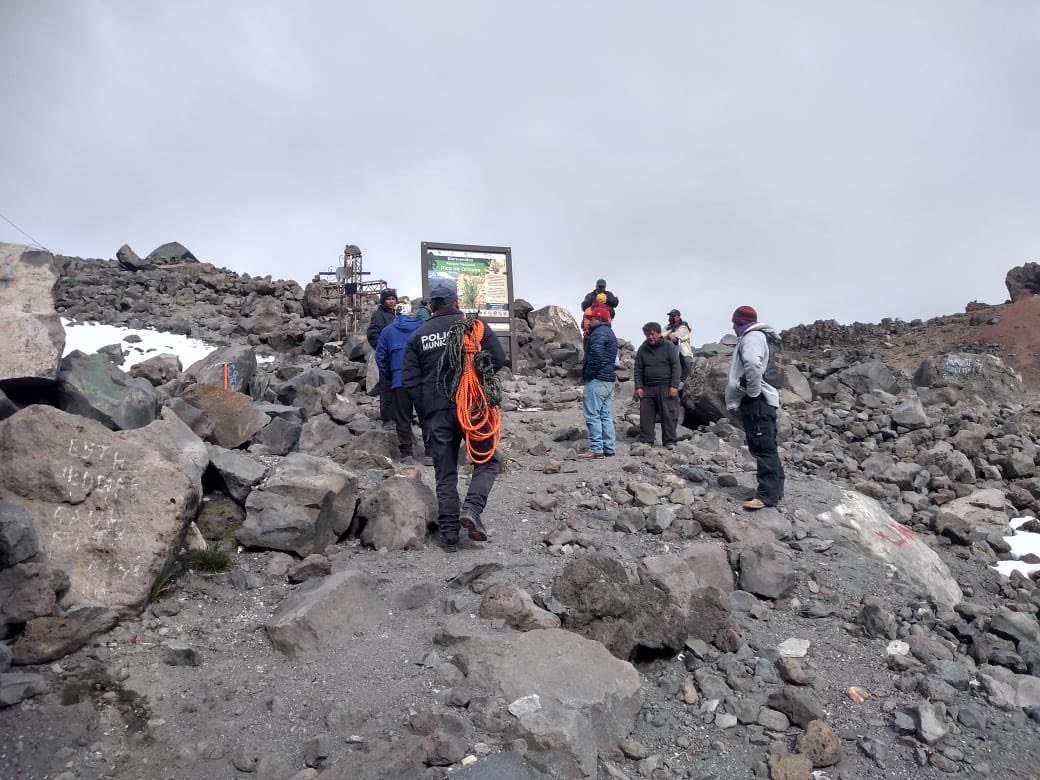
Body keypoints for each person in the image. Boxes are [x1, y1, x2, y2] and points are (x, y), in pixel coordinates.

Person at [402, 285, 507, 552]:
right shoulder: (474, 326)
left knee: (444, 471)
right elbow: (498, 358)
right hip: (472, 405)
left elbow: (410, 382)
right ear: (456, 302)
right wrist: (477, 378)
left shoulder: (418, 336)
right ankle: (471, 509)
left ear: (432, 306)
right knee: (487, 460)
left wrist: (427, 410)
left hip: (437, 412)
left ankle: (449, 535)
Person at [724, 305, 785, 511]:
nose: (732, 327)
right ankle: (776, 490)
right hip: (766, 400)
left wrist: (752, 391)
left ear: (739, 322)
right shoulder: (765, 337)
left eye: (734, 322)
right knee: (767, 445)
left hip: (757, 401)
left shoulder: (752, 337)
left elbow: (752, 363)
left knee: (762, 446)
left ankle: (766, 496)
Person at [375, 308, 429, 463]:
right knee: (426, 416)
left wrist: (390, 375)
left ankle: (407, 454)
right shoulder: (425, 328)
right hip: (421, 380)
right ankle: (430, 453)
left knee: (402, 417)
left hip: (399, 381)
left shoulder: (388, 331)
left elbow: (380, 356)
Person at [579, 305, 618, 459]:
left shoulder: (598, 334)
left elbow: (596, 355)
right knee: (605, 414)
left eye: (591, 318)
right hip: (609, 379)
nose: (589, 321)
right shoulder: (610, 333)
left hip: (597, 379)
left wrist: (589, 373)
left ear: (598, 319)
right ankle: (609, 447)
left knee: (592, 414)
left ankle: (596, 448)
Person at [634, 321, 680, 448]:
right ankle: (647, 440)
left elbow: (676, 366)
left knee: (668, 414)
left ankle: (670, 441)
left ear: (659, 333)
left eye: (652, 334)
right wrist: (638, 387)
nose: (650, 337)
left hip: (666, 386)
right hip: (647, 387)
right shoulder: (642, 349)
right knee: (646, 416)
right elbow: (638, 369)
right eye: (647, 334)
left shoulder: (669, 346)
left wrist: (674, 386)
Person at [366, 288, 399, 425]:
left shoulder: (396, 314)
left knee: (397, 385)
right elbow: (373, 334)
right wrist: (383, 350)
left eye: (393, 299)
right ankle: (387, 417)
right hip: (387, 356)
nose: (391, 302)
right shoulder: (379, 315)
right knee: (386, 386)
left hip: (397, 356)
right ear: (383, 301)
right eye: (388, 299)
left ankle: (397, 414)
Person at [665, 309, 694, 381]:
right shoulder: (667, 327)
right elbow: (661, 336)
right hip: (670, 353)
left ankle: (684, 381)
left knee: (687, 362)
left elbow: (675, 337)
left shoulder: (683, 327)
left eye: (672, 316)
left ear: (678, 317)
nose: (670, 318)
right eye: (670, 316)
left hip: (683, 353)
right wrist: (669, 335)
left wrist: (668, 335)